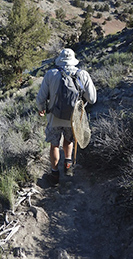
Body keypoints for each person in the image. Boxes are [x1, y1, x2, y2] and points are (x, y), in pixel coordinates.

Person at [36, 48, 97, 186]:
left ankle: (54, 173)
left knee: (54, 145)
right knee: (68, 141)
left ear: (60, 59)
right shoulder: (83, 74)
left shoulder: (51, 74)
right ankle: (68, 166)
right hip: (73, 117)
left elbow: (41, 97)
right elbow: (92, 99)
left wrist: (41, 109)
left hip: (54, 116)